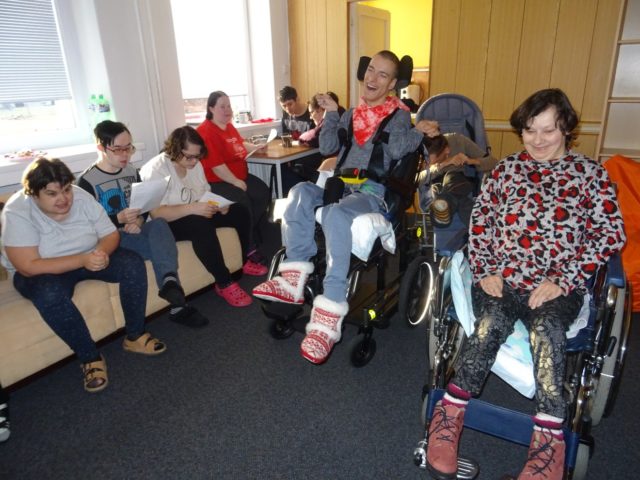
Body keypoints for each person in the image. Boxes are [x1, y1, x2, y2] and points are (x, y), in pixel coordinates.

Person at [423, 88, 626, 480]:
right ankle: (447, 418)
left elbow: (610, 234)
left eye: (548, 130)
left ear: (566, 128)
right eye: (530, 130)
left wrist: (563, 279)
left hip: (556, 287)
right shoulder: (506, 170)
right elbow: (480, 224)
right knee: (488, 326)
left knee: (548, 330)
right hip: (502, 279)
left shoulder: (590, 175)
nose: (538, 140)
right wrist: (486, 270)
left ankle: (548, 443)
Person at [253, 50, 438, 364]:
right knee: (299, 191)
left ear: (392, 83)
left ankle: (330, 311)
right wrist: (331, 115)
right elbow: (327, 146)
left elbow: (396, 150)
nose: (373, 78)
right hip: (339, 184)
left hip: (371, 190)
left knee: (334, 213)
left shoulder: (399, 115)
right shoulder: (352, 113)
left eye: (383, 74)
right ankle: (293, 278)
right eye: (371, 70)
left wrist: (416, 130)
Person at [1, 158, 167, 393]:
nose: (63, 198)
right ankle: (90, 358)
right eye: (52, 193)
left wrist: (102, 253)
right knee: (49, 293)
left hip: (88, 256)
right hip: (43, 270)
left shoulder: (80, 196)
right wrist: (83, 260)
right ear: (33, 194)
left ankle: (135, 335)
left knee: (132, 263)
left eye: (66, 189)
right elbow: (28, 266)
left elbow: (110, 234)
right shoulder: (18, 210)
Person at [77, 120, 208, 328]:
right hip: (111, 237)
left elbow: (145, 204)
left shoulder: (131, 171)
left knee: (160, 224)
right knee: (162, 248)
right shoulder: (86, 182)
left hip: (135, 228)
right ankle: (177, 304)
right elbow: (86, 226)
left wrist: (139, 220)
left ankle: (169, 283)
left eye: (128, 148)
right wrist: (118, 220)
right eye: (118, 149)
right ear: (101, 147)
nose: (125, 155)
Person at [140, 126, 265, 308]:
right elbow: (157, 213)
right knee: (199, 224)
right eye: (189, 157)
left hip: (195, 210)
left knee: (239, 211)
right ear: (174, 150)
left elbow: (204, 194)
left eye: (197, 156)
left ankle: (243, 260)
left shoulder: (195, 164)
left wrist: (218, 205)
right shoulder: (156, 169)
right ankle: (224, 283)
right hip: (167, 223)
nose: (194, 161)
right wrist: (193, 208)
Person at [196, 91, 270, 265]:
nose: (227, 110)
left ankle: (246, 231)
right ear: (211, 108)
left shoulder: (228, 127)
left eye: (229, 106)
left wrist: (256, 147)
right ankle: (248, 247)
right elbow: (217, 166)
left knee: (262, 192)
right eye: (222, 107)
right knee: (242, 199)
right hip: (217, 182)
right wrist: (235, 182)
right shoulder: (206, 132)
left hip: (239, 176)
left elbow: (239, 143)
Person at [417, 133, 497, 226]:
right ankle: (479, 224)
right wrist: (443, 164)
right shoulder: (420, 150)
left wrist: (470, 161)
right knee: (460, 200)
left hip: (457, 181)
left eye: (436, 161)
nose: (429, 163)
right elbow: (416, 179)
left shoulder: (458, 141)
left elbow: (494, 162)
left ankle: (442, 213)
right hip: (435, 185)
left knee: (451, 177)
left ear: (447, 150)